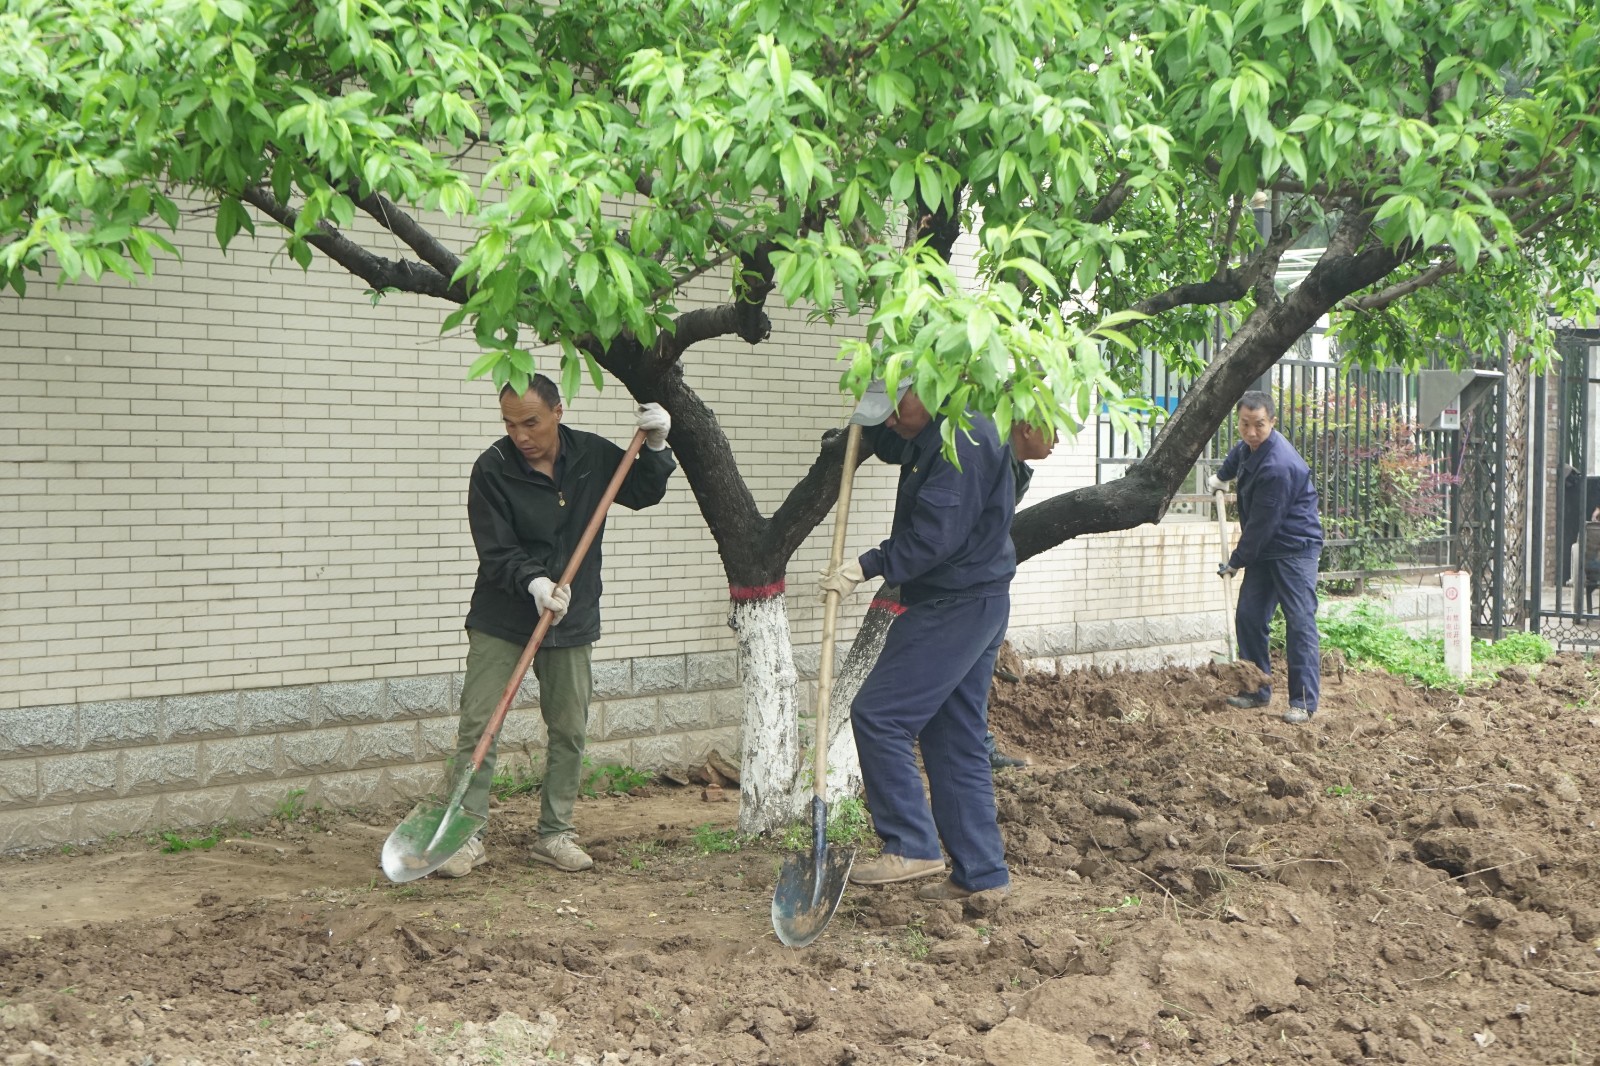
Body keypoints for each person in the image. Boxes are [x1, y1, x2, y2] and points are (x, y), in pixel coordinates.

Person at [434, 374, 676, 877]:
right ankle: (464, 834)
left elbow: (641, 492)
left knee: (568, 730)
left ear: (557, 413)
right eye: (510, 424)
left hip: (572, 615)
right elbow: (496, 548)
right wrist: (534, 581)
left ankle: (555, 834)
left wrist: (656, 446)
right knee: (479, 725)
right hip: (503, 617)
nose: (520, 435)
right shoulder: (492, 468)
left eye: (531, 422)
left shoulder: (591, 455)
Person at [820, 379, 1016, 900]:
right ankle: (982, 876)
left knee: (879, 714)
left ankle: (911, 843)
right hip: (975, 599)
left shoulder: (962, 442)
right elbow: (899, 442)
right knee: (953, 738)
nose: (889, 422)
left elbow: (934, 537)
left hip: (952, 605)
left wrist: (866, 566)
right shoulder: (942, 427)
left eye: (892, 410)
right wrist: (864, 427)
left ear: (926, 389)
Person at [1207, 390, 1324, 725]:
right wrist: (1222, 477)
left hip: (1294, 548)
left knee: (1299, 621)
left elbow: (1261, 525)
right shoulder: (1250, 446)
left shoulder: (1278, 466)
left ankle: (1302, 702)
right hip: (1265, 547)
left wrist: (1235, 561)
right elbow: (1238, 455)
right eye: (1245, 424)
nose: (1251, 432)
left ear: (1272, 421)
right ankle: (1256, 690)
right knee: (1249, 616)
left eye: (1258, 425)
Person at [984, 420, 1057, 770]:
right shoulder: (990, 462)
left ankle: (979, 747)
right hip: (972, 593)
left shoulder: (1011, 466)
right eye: (1053, 429)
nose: (1057, 439)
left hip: (992, 588)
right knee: (968, 679)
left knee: (977, 679)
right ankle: (974, 750)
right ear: (1027, 428)